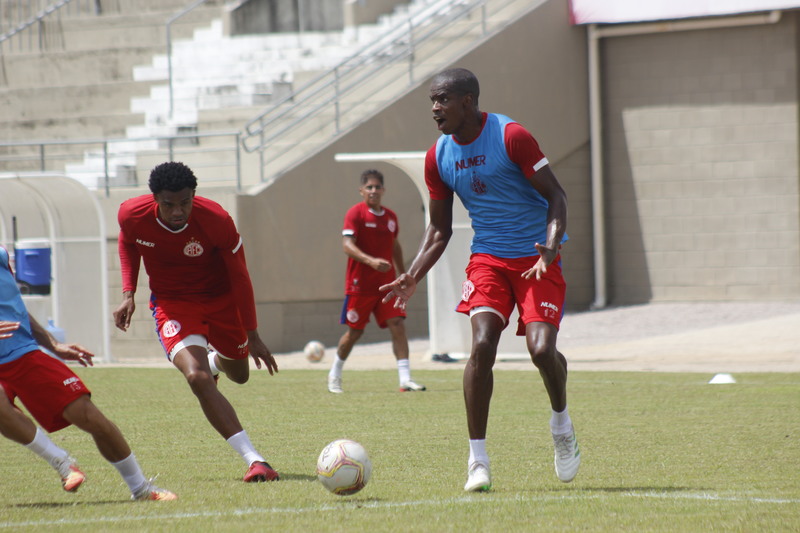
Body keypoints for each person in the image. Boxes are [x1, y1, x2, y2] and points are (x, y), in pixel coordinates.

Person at [380, 68, 580, 491]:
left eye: (443, 100)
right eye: (432, 101)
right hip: (488, 260)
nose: (435, 109)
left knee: (542, 351)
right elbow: (439, 230)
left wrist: (550, 242)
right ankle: (478, 460)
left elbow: (557, 195)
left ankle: (561, 424)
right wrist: (411, 275)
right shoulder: (438, 156)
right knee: (482, 344)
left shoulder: (512, 136)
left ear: (467, 101)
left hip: (536, 260)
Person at [113, 161, 279, 483]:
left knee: (240, 375)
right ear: (154, 199)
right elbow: (128, 241)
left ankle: (216, 362)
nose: (178, 211)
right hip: (174, 306)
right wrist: (128, 292)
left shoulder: (216, 219)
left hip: (221, 301)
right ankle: (255, 460)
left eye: (185, 202)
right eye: (169, 204)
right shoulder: (131, 214)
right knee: (197, 377)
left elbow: (241, 277)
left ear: (194, 195)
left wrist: (252, 333)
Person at [0, 246, 176, 501]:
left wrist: (52, 344)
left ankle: (141, 488)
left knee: (90, 418)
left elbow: (13, 305)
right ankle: (62, 463)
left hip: (22, 353)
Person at [327, 169, 425, 394]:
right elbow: (347, 245)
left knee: (398, 326)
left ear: (383, 190)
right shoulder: (355, 214)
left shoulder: (390, 217)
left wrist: (403, 274)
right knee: (355, 332)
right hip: (359, 286)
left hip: (387, 287)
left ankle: (405, 379)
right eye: (369, 187)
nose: (373, 191)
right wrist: (371, 261)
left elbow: (394, 245)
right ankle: (334, 374)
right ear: (361, 191)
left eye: (377, 187)